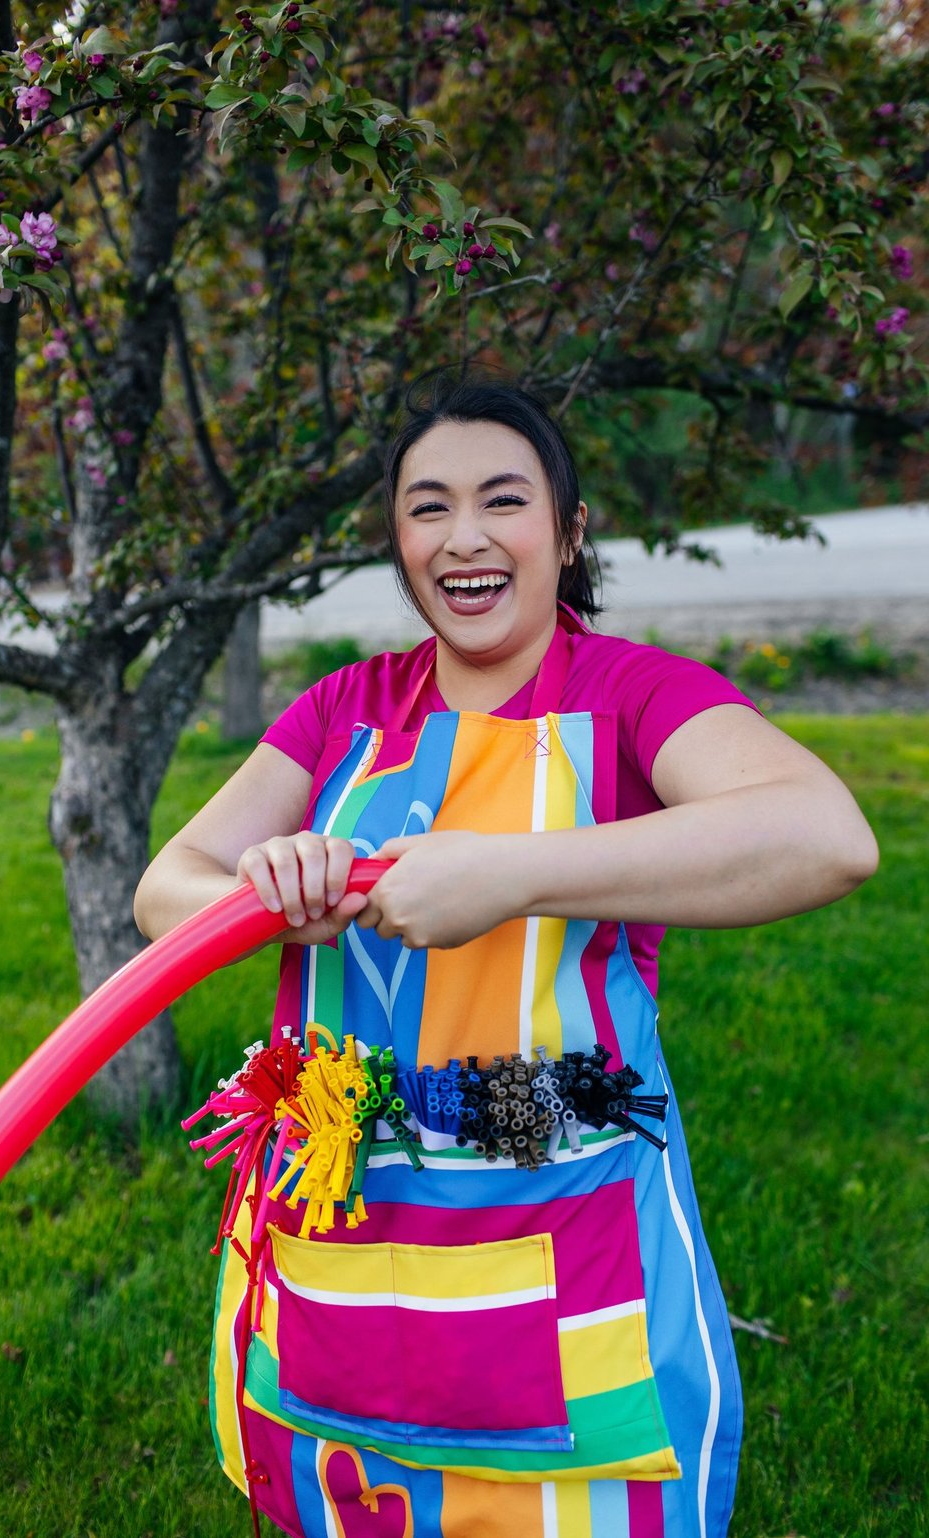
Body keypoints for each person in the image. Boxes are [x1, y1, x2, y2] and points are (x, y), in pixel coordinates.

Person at [134, 374, 877, 1538]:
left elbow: (825, 836)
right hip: (343, 1220)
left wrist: (512, 873)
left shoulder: (629, 694)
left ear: (569, 533)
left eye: (503, 500)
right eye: (427, 507)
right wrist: (267, 892)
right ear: (397, 541)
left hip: (562, 1222)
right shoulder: (339, 710)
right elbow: (164, 888)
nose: (464, 536)